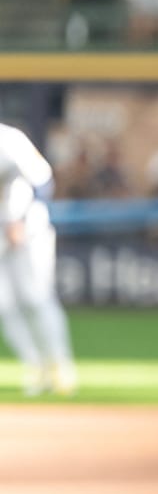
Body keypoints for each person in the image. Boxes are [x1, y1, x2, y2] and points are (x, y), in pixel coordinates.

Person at [0, 123, 78, 397]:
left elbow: (43, 181)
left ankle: (60, 365)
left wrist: (19, 220)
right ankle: (34, 366)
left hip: (28, 228)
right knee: (3, 306)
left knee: (36, 297)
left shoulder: (9, 139)